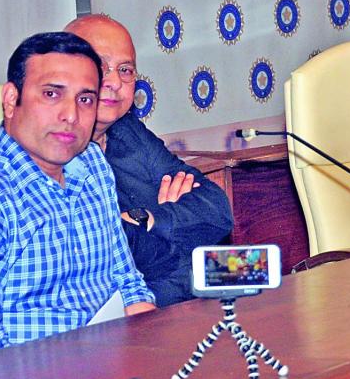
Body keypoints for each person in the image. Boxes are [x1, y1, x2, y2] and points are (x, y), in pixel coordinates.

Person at [0, 32, 155, 365]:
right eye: (52, 94)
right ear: (10, 99)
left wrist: (156, 355)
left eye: (85, 99)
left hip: (106, 362)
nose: (70, 115)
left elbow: (127, 283)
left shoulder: (91, 163)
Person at [64, 15, 233, 307]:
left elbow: (218, 210)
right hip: (122, 318)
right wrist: (174, 232)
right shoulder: (52, 151)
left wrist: (151, 217)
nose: (115, 82)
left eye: (126, 70)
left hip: (186, 295)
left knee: (265, 281)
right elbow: (118, 252)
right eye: (102, 67)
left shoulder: (127, 130)